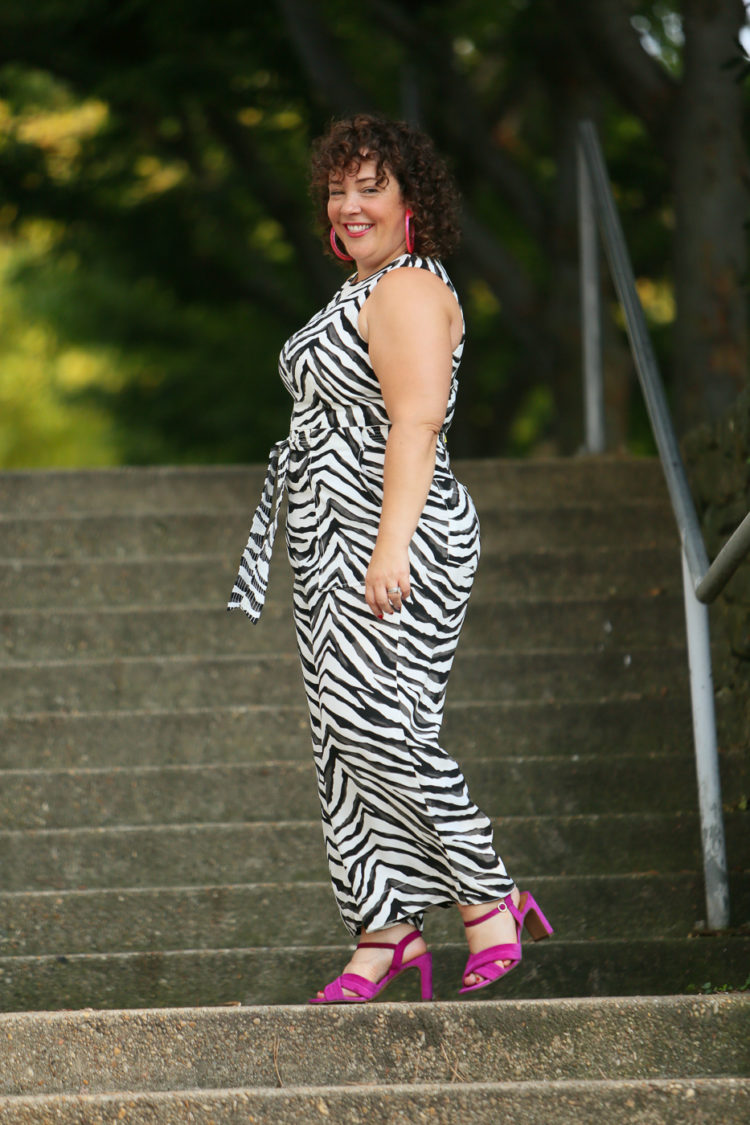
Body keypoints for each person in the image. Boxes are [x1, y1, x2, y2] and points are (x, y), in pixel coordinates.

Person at [228, 113, 552, 1003]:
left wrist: (391, 545)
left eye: (371, 185)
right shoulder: (357, 291)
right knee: (341, 742)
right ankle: (383, 928)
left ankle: (491, 892)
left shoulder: (407, 290)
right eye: (339, 188)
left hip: (393, 531)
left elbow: (415, 421)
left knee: (379, 726)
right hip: (328, 538)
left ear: (412, 197)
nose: (350, 202)